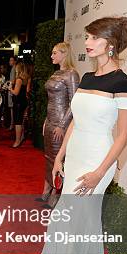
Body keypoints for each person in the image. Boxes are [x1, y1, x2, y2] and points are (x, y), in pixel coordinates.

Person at [29, 16, 127, 254]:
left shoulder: (124, 83)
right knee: (65, 224)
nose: (87, 42)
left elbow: (122, 136)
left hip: (97, 161)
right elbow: (75, 121)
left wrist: (99, 172)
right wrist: (60, 157)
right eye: (87, 36)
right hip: (75, 156)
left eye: (93, 37)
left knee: (82, 227)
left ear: (110, 43)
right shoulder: (88, 77)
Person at [37, 42, 79, 207]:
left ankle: (56, 192)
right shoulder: (56, 73)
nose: (52, 56)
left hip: (61, 124)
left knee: (57, 158)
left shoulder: (72, 74)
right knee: (48, 156)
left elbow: (74, 102)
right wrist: (46, 121)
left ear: (64, 54)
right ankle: (46, 189)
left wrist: (62, 125)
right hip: (50, 121)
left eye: (55, 53)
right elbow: (51, 101)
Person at [9, 62, 29, 148]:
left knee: (18, 122)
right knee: (21, 121)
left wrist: (10, 89)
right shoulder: (27, 78)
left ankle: (17, 141)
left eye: (16, 68)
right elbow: (27, 91)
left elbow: (16, 93)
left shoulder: (19, 79)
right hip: (24, 101)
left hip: (18, 103)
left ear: (18, 69)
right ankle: (21, 137)